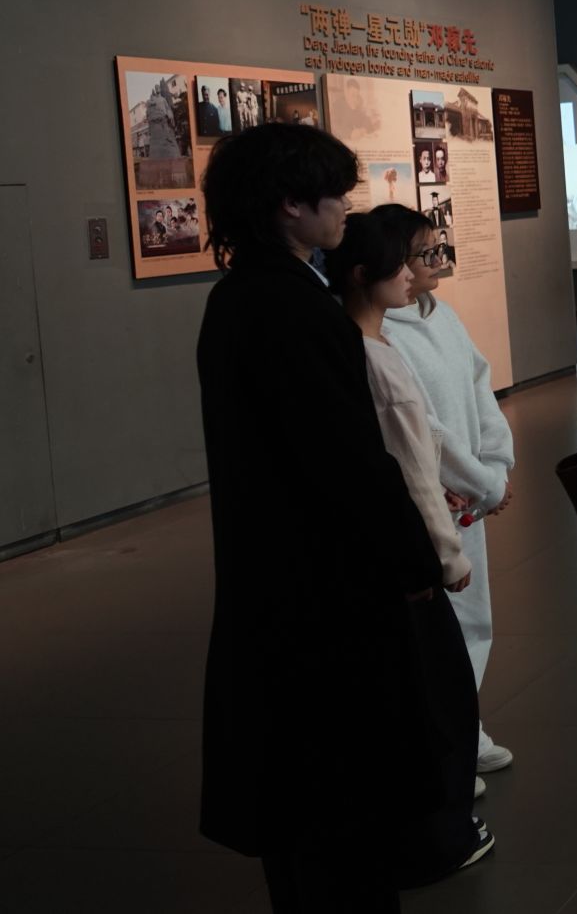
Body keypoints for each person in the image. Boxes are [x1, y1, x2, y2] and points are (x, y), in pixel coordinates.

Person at [194, 124, 472, 912]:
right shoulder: (296, 311)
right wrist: (416, 562)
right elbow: (350, 464)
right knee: (342, 829)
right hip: (327, 607)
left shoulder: (236, 299)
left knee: (302, 833)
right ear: (290, 204)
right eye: (335, 194)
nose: (347, 208)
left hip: (276, 595)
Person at [327, 205, 493, 878]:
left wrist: (486, 470)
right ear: (364, 272)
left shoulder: (370, 342)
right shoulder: (373, 354)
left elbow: (464, 404)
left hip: (415, 535)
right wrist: (447, 554)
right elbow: (417, 464)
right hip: (416, 555)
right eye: (403, 259)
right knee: (437, 692)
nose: (414, 270)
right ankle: (439, 829)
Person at [386, 240, 519, 784]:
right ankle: (443, 745)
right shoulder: (382, 334)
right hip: (440, 497)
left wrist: (496, 466)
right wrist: (477, 481)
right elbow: (423, 428)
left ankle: (465, 728)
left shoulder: (442, 316)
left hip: (470, 500)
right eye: (423, 253)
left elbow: (480, 387)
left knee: (473, 619)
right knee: (434, 630)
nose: (437, 260)